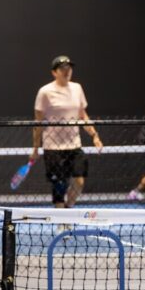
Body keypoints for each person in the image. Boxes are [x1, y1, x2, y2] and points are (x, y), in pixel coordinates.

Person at [31, 56, 103, 209]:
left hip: (74, 145)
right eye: (62, 68)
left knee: (79, 181)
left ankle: (68, 209)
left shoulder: (77, 88)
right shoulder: (45, 92)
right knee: (59, 185)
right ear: (54, 72)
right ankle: (61, 218)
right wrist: (36, 148)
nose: (67, 71)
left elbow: (83, 116)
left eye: (69, 68)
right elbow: (38, 123)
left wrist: (94, 135)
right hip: (53, 148)